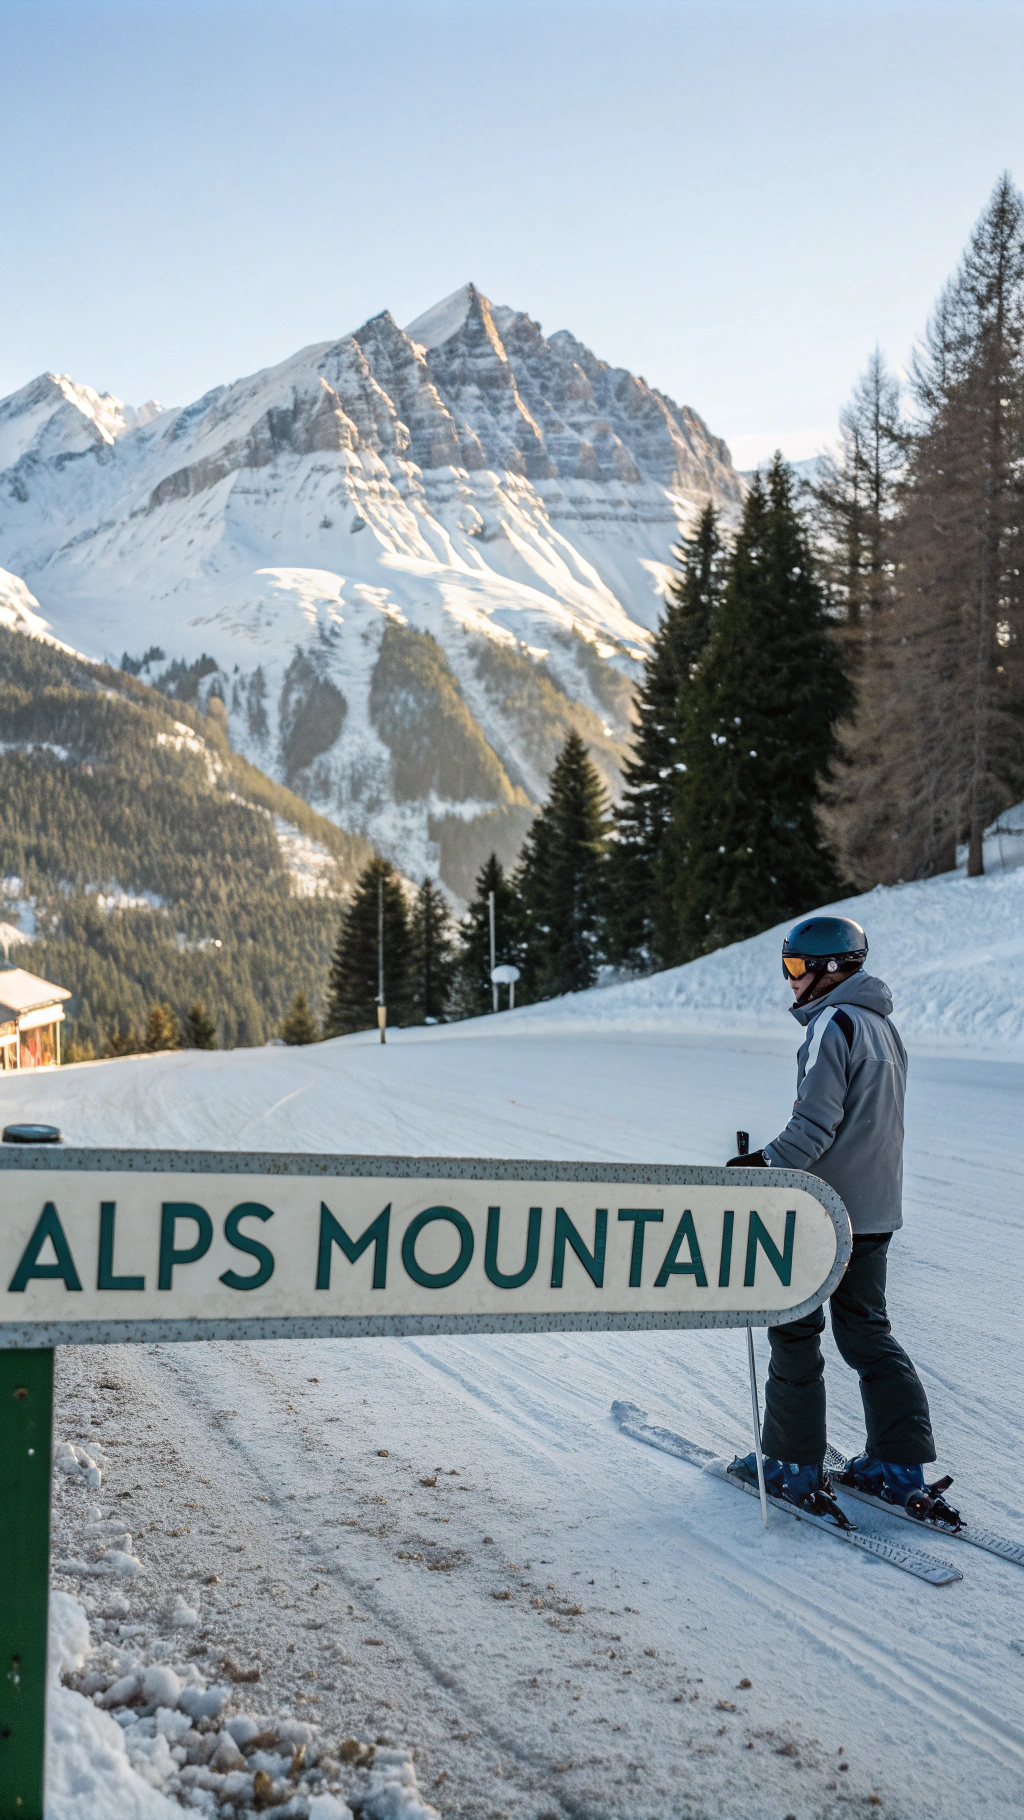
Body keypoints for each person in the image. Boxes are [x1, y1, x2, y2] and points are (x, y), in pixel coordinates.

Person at [725, 914, 958, 1529]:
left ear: (833, 968)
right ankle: (896, 1464)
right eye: (788, 967)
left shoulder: (834, 1024)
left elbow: (816, 1125)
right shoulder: (883, 1028)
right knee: (866, 1332)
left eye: (798, 968)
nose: (791, 980)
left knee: (795, 1329)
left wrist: (763, 1167)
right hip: (878, 1209)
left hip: (825, 1211)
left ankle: (792, 1466)